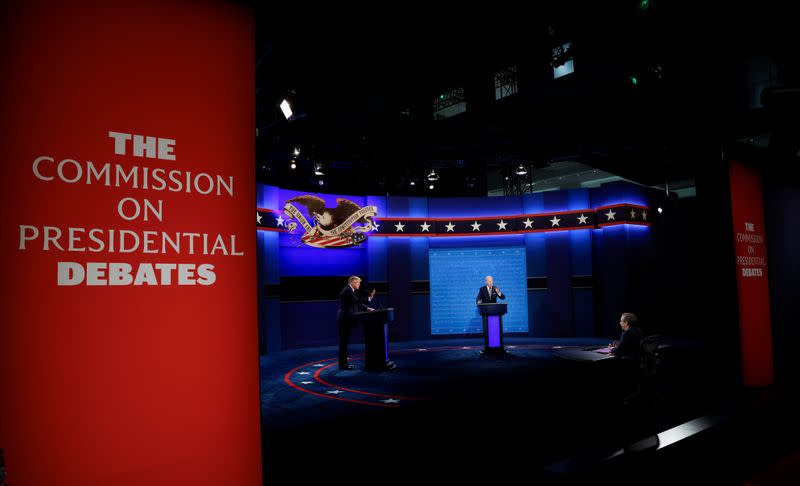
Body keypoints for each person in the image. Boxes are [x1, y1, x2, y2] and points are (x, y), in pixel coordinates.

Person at [337, 276, 373, 370]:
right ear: (352, 282)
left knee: (344, 343)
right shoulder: (348, 290)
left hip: (345, 319)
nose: (359, 285)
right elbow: (357, 301)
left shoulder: (349, 290)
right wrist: (368, 299)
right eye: (358, 283)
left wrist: (367, 308)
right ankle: (343, 365)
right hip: (344, 320)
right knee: (344, 343)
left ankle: (343, 364)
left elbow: (357, 303)